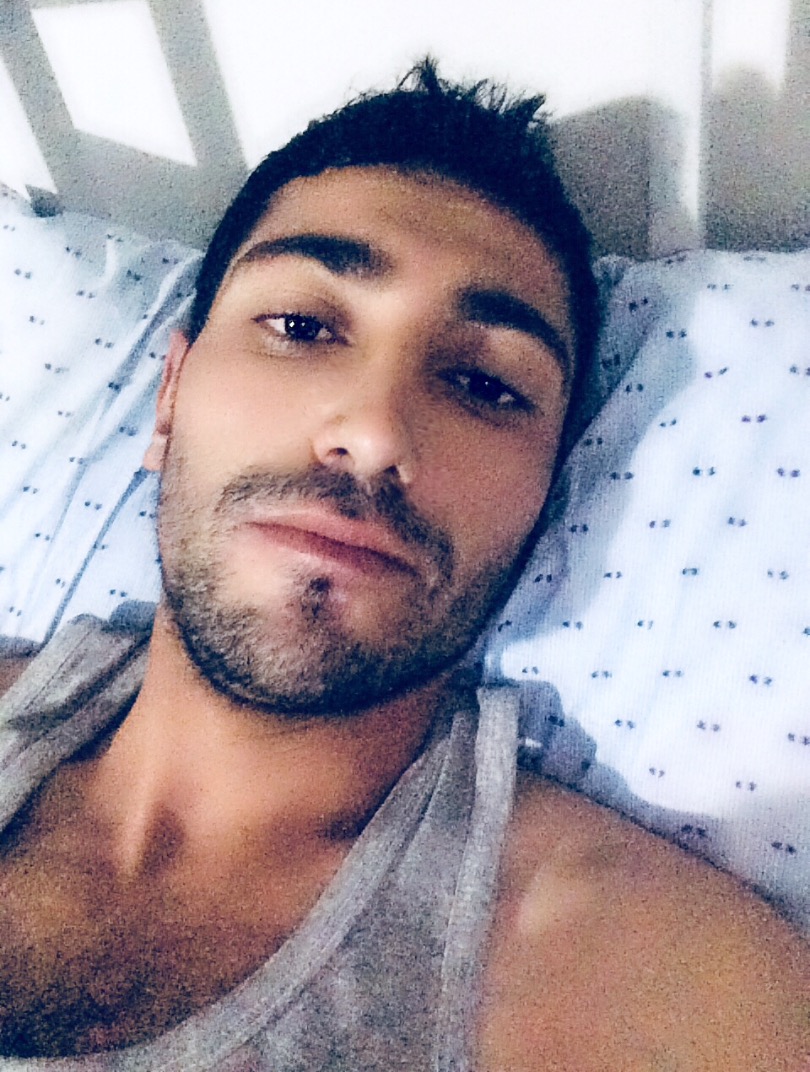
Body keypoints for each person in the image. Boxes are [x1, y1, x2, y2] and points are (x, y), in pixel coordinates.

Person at [0, 60, 806, 1070]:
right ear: (169, 400)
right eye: (301, 327)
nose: (375, 432)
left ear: (546, 498)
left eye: (485, 385)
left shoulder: (655, 983)